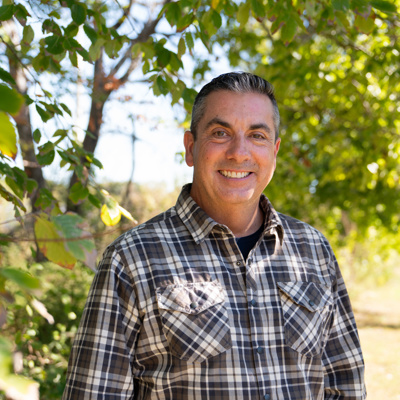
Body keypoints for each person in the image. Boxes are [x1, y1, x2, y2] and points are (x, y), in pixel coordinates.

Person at [63, 72, 366, 399]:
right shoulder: (132, 258)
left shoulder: (312, 250)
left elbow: (344, 383)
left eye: (257, 135)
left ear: (274, 152)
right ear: (191, 148)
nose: (239, 152)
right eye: (221, 133)